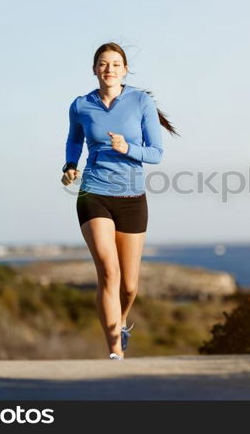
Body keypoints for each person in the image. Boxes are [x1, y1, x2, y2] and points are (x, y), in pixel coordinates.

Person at [60, 42, 178, 360]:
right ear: (95, 69)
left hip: (131, 198)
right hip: (94, 194)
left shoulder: (140, 102)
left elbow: (156, 153)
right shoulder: (81, 105)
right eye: (103, 63)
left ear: (124, 70)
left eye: (115, 64)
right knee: (108, 272)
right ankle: (115, 351)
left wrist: (129, 149)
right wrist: (70, 166)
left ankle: (122, 320)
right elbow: (74, 140)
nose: (109, 69)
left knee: (129, 286)